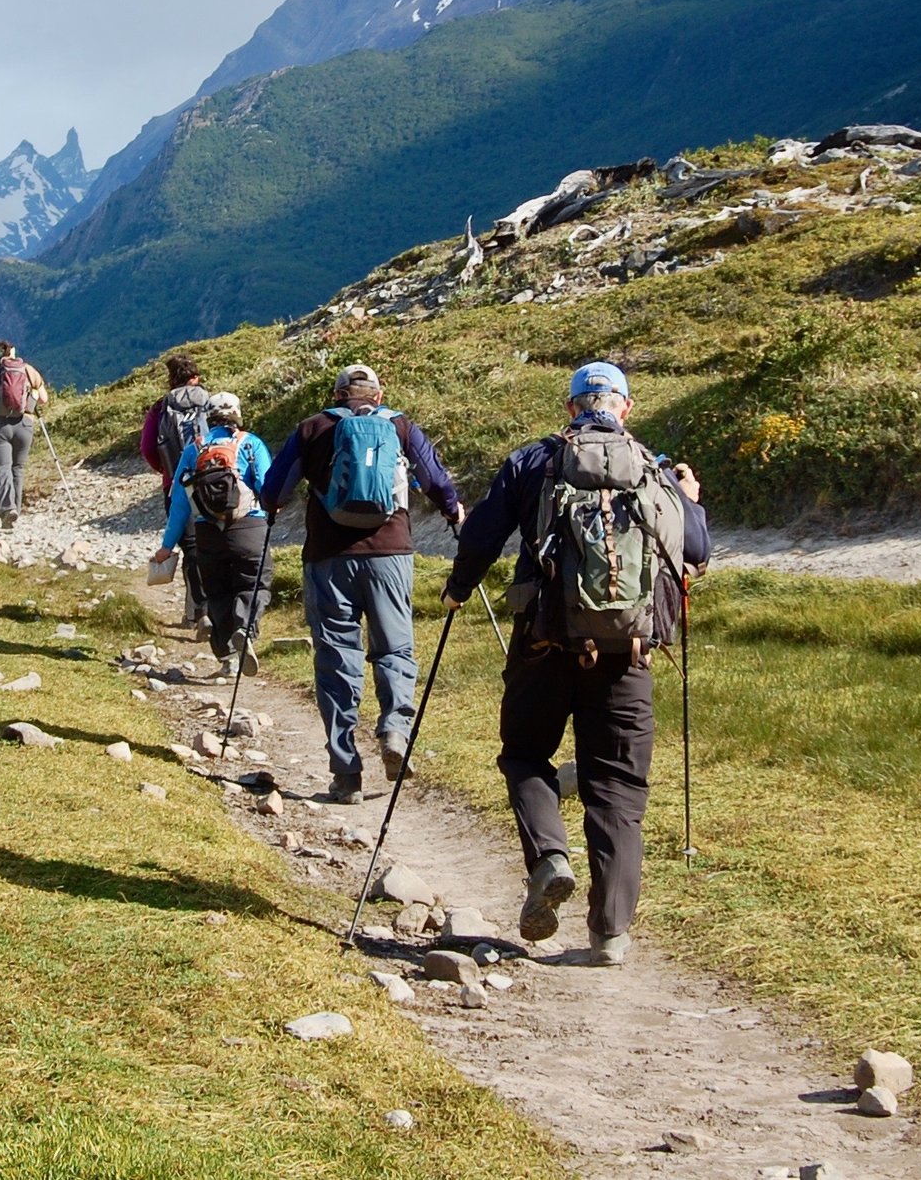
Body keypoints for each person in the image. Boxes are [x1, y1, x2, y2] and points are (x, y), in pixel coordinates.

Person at [442, 361, 708, 969]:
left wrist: (459, 588)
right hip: (628, 654)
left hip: (544, 644)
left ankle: (549, 859)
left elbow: (482, 534)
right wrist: (692, 502)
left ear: (571, 409)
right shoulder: (655, 469)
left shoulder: (533, 461)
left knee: (525, 754)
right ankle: (610, 935)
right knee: (618, 789)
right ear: (625, 408)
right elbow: (697, 552)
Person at [263, 363, 464, 803]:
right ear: (378, 393)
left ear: (337, 395)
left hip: (328, 559)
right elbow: (436, 480)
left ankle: (346, 773)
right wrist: (452, 510)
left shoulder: (312, 428)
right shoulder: (400, 426)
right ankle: (394, 729)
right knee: (395, 648)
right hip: (391, 553)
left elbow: (273, 492)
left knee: (337, 658)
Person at [156, 390, 273, 676]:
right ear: (238, 415)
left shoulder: (194, 449)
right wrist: (271, 513)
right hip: (249, 528)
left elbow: (179, 502)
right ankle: (245, 628)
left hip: (207, 530)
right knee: (253, 584)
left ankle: (227, 657)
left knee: (218, 592)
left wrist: (167, 545)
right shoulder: (250, 444)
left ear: (208, 417)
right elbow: (269, 488)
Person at [141, 355, 217, 629]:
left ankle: (197, 612)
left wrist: (165, 470)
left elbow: (148, 448)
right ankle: (215, 607)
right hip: (215, 481)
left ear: (171, 379)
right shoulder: (211, 401)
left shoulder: (161, 407)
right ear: (195, 377)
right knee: (214, 542)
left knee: (191, 546)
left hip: (176, 482)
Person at [0, 338, 50, 530]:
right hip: (24, 424)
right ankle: (16, 511)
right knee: (18, 468)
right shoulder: (28, 370)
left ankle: (6, 510)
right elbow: (44, 399)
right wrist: (31, 397)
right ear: (13, 352)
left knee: (2, 467)